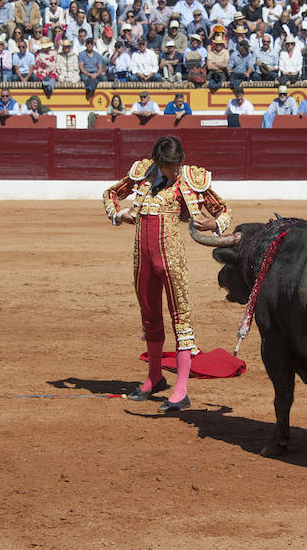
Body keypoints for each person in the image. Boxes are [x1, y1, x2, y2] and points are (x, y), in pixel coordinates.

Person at [102, 135, 231, 412]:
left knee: (181, 322)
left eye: (176, 165)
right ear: (159, 162)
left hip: (172, 262)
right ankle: (154, 377)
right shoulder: (142, 174)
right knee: (149, 317)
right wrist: (118, 215)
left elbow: (223, 210)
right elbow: (110, 193)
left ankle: (181, 390)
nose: (173, 171)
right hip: (143, 262)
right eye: (168, 166)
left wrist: (215, 223)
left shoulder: (190, 178)